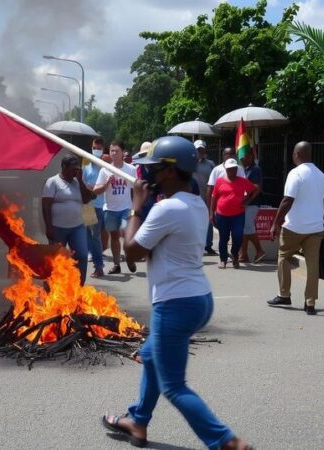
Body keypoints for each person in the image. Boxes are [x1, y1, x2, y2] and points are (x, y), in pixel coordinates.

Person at [101, 136, 252, 450]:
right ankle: (138, 421)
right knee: (152, 357)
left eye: (154, 169)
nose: (148, 175)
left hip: (174, 303)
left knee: (174, 387)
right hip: (198, 299)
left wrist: (135, 208)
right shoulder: (194, 203)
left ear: (170, 171)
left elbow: (131, 253)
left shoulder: (165, 209)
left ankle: (226, 441)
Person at [267, 141, 324, 315]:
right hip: (315, 228)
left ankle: (284, 294)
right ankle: (310, 303)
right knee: (312, 265)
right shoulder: (321, 176)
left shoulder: (296, 174)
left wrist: (275, 223)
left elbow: (287, 200)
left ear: (297, 154)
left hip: (294, 227)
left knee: (283, 257)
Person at [41, 154, 94, 285]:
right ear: (64, 167)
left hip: (78, 226)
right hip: (57, 227)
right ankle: (51, 287)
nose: (76, 171)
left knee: (81, 256)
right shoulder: (52, 182)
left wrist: (80, 181)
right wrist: (48, 226)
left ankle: (78, 287)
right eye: (73, 168)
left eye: (77, 168)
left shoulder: (78, 182)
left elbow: (87, 199)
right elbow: (46, 205)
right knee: (56, 259)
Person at [93, 140, 138, 274]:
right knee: (114, 237)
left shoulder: (131, 169)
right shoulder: (105, 170)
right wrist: (107, 184)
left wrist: (135, 209)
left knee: (127, 235)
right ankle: (117, 264)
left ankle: (130, 258)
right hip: (110, 209)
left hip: (126, 208)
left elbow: (135, 189)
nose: (113, 153)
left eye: (116, 151)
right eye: (111, 150)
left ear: (122, 152)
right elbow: (96, 190)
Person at [210, 159, 259, 269]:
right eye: (229, 169)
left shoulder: (242, 181)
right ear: (226, 170)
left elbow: (255, 189)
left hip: (238, 215)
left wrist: (248, 201)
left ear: (236, 169)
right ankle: (223, 259)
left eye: (234, 169)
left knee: (238, 236)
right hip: (222, 215)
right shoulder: (219, 182)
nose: (231, 171)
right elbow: (214, 198)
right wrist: (211, 214)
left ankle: (235, 254)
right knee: (223, 238)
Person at [83, 137, 106, 278]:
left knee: (95, 237)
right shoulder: (86, 165)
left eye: (98, 148)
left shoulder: (105, 165)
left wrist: (96, 188)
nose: (95, 150)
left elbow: (105, 185)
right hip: (87, 206)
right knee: (88, 236)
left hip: (99, 206)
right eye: (94, 148)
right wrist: (90, 187)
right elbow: (83, 182)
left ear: (103, 149)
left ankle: (99, 266)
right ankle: (93, 260)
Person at [238, 149, 265, 263]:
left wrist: (247, 202)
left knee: (248, 228)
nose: (241, 159)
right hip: (246, 204)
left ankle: (259, 250)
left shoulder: (255, 170)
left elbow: (257, 188)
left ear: (250, 157)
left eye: (243, 157)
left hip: (252, 204)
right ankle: (243, 255)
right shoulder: (246, 169)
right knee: (245, 229)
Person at [193, 140, 217, 255]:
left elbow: (215, 180)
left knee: (209, 222)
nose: (200, 151)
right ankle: (196, 245)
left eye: (202, 149)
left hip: (207, 197)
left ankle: (208, 245)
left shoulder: (210, 164)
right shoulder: (189, 163)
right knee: (195, 223)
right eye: (198, 149)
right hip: (193, 198)